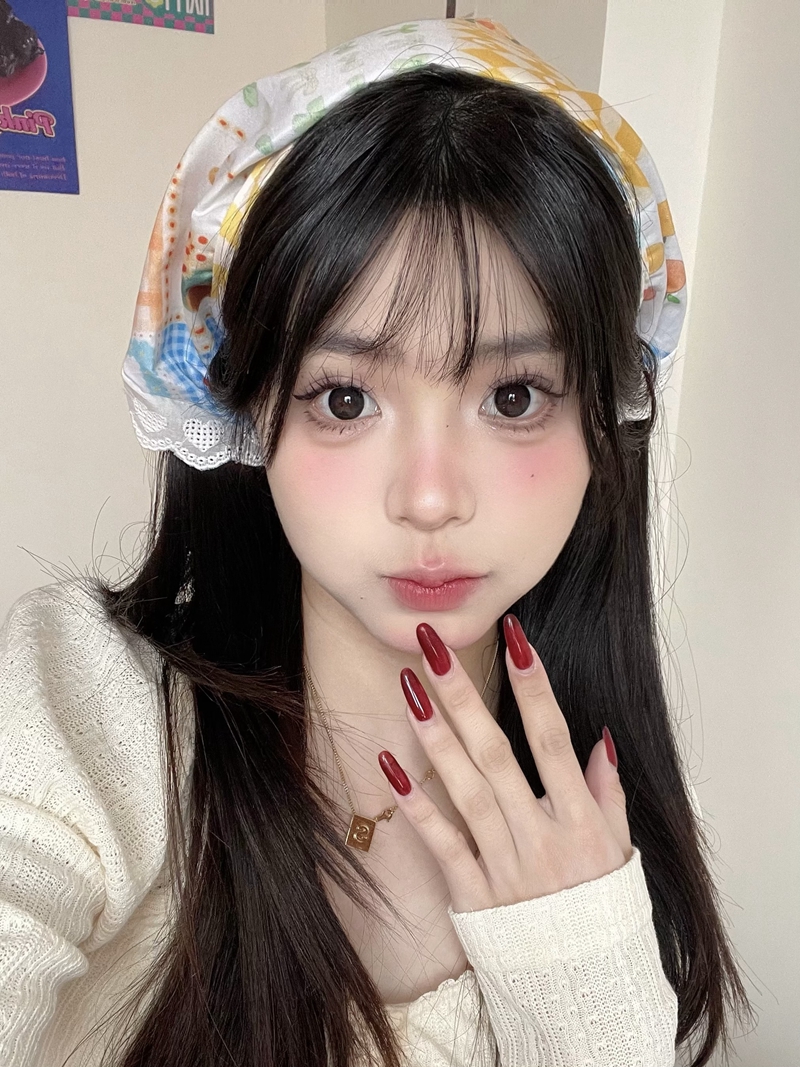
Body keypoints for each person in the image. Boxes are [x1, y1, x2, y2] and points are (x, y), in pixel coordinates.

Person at [0, 17, 753, 1067]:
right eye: (345, 398)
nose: (430, 497)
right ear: (249, 415)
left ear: (603, 416)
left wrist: (585, 977)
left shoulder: (611, 811)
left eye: (515, 395)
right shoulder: (92, 707)